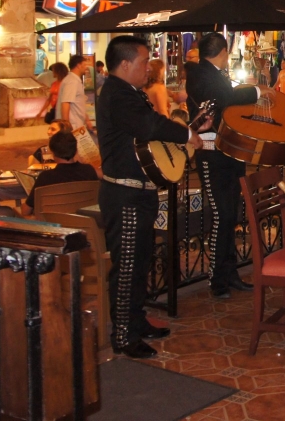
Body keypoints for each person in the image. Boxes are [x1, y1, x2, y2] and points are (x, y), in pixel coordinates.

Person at [97, 35, 204, 359]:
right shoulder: (117, 94)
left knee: (141, 262)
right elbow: (148, 125)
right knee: (127, 265)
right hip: (124, 193)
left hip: (138, 190)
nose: (148, 68)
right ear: (126, 64)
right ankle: (123, 336)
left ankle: (136, 320)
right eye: (144, 61)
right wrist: (186, 132)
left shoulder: (129, 92)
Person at [186, 32, 275, 299]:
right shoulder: (201, 74)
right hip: (212, 155)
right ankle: (218, 279)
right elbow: (225, 97)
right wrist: (259, 90)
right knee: (221, 216)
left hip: (229, 153)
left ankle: (230, 272)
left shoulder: (211, 73)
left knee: (231, 214)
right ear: (223, 52)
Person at [23, 131, 98, 216]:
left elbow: (26, 211)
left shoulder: (45, 177)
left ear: (53, 153)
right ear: (76, 150)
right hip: (86, 225)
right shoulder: (89, 171)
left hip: (53, 227)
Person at [57, 54, 92, 132]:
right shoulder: (71, 81)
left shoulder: (74, 80)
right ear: (78, 65)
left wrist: (87, 120)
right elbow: (65, 103)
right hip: (73, 126)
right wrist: (66, 126)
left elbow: (79, 103)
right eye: (84, 65)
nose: (86, 67)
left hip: (78, 125)